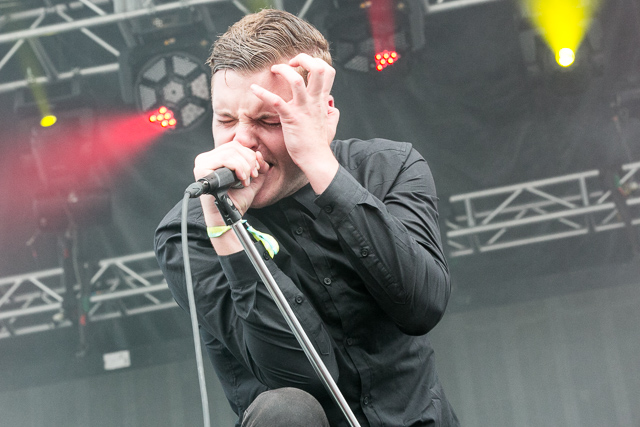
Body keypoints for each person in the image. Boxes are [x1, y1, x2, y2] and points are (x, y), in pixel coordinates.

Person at [155, 8, 459, 427]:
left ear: (319, 112)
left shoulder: (389, 167)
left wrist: (321, 164)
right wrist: (228, 231)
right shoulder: (189, 231)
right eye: (225, 120)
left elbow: (421, 305)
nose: (242, 140)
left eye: (267, 120)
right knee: (287, 409)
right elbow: (301, 378)